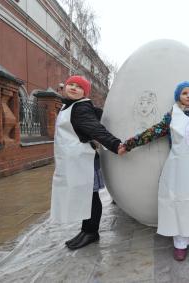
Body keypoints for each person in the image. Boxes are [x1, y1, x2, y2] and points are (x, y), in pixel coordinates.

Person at [123, 81, 189, 261]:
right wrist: (129, 144)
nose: (188, 95)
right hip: (179, 168)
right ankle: (180, 243)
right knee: (180, 202)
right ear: (178, 96)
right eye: (184, 93)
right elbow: (154, 131)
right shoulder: (172, 115)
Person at [50, 75, 126, 250]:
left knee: (90, 196)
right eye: (71, 85)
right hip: (74, 161)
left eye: (79, 87)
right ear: (65, 88)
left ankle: (91, 232)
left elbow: (95, 128)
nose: (74, 88)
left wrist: (115, 145)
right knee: (86, 196)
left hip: (84, 162)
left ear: (85, 93)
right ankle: (86, 230)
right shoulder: (68, 106)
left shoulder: (80, 108)